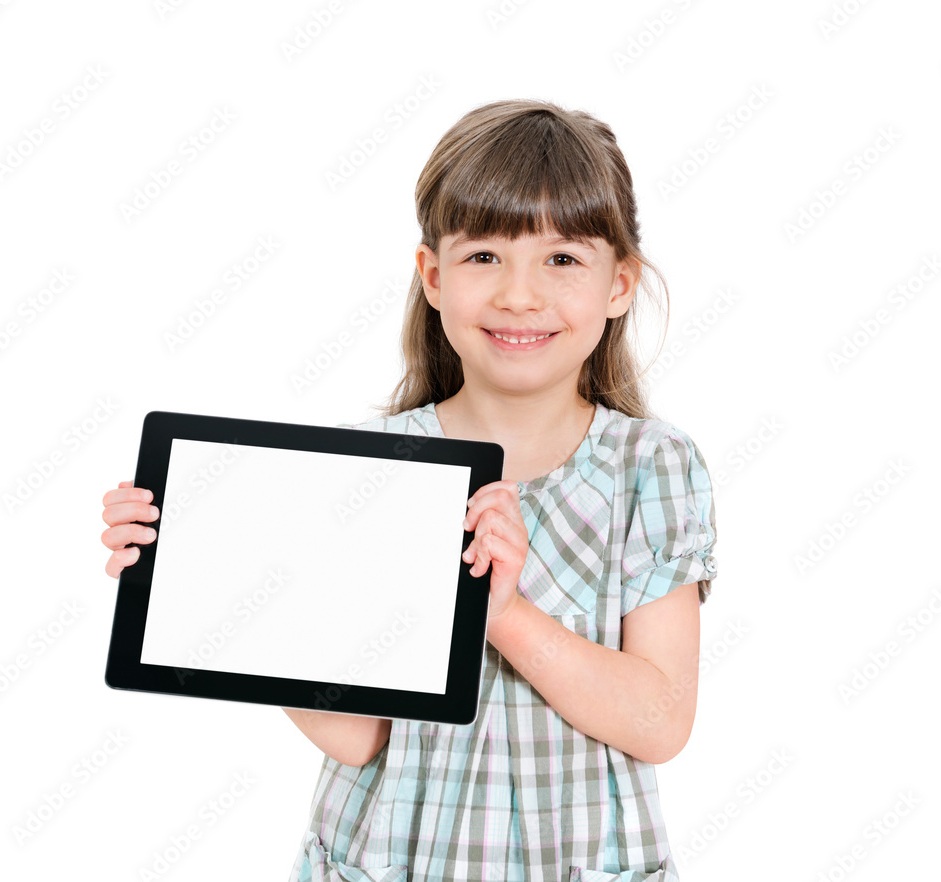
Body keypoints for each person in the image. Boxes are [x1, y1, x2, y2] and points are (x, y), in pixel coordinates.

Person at [100, 98, 718, 882]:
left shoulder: (651, 466)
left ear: (619, 283)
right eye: (484, 256)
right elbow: (365, 739)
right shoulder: (383, 466)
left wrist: (507, 614)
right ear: (433, 275)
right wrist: (205, 592)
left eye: (562, 259)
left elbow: (659, 722)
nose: (520, 294)